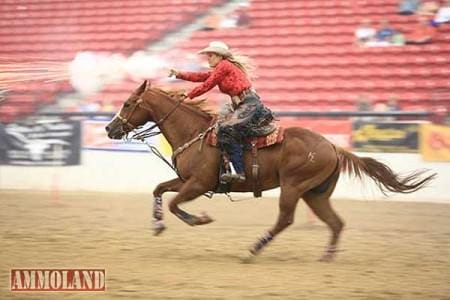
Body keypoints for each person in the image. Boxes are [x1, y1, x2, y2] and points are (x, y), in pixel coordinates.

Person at [169, 41, 274, 183]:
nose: (208, 58)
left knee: (226, 129)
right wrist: (179, 74)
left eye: (210, 55)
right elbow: (202, 77)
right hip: (242, 104)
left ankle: (239, 171)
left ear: (219, 56)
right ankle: (226, 169)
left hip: (248, 104)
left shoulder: (224, 66)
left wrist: (189, 95)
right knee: (220, 129)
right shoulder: (222, 68)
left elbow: (207, 84)